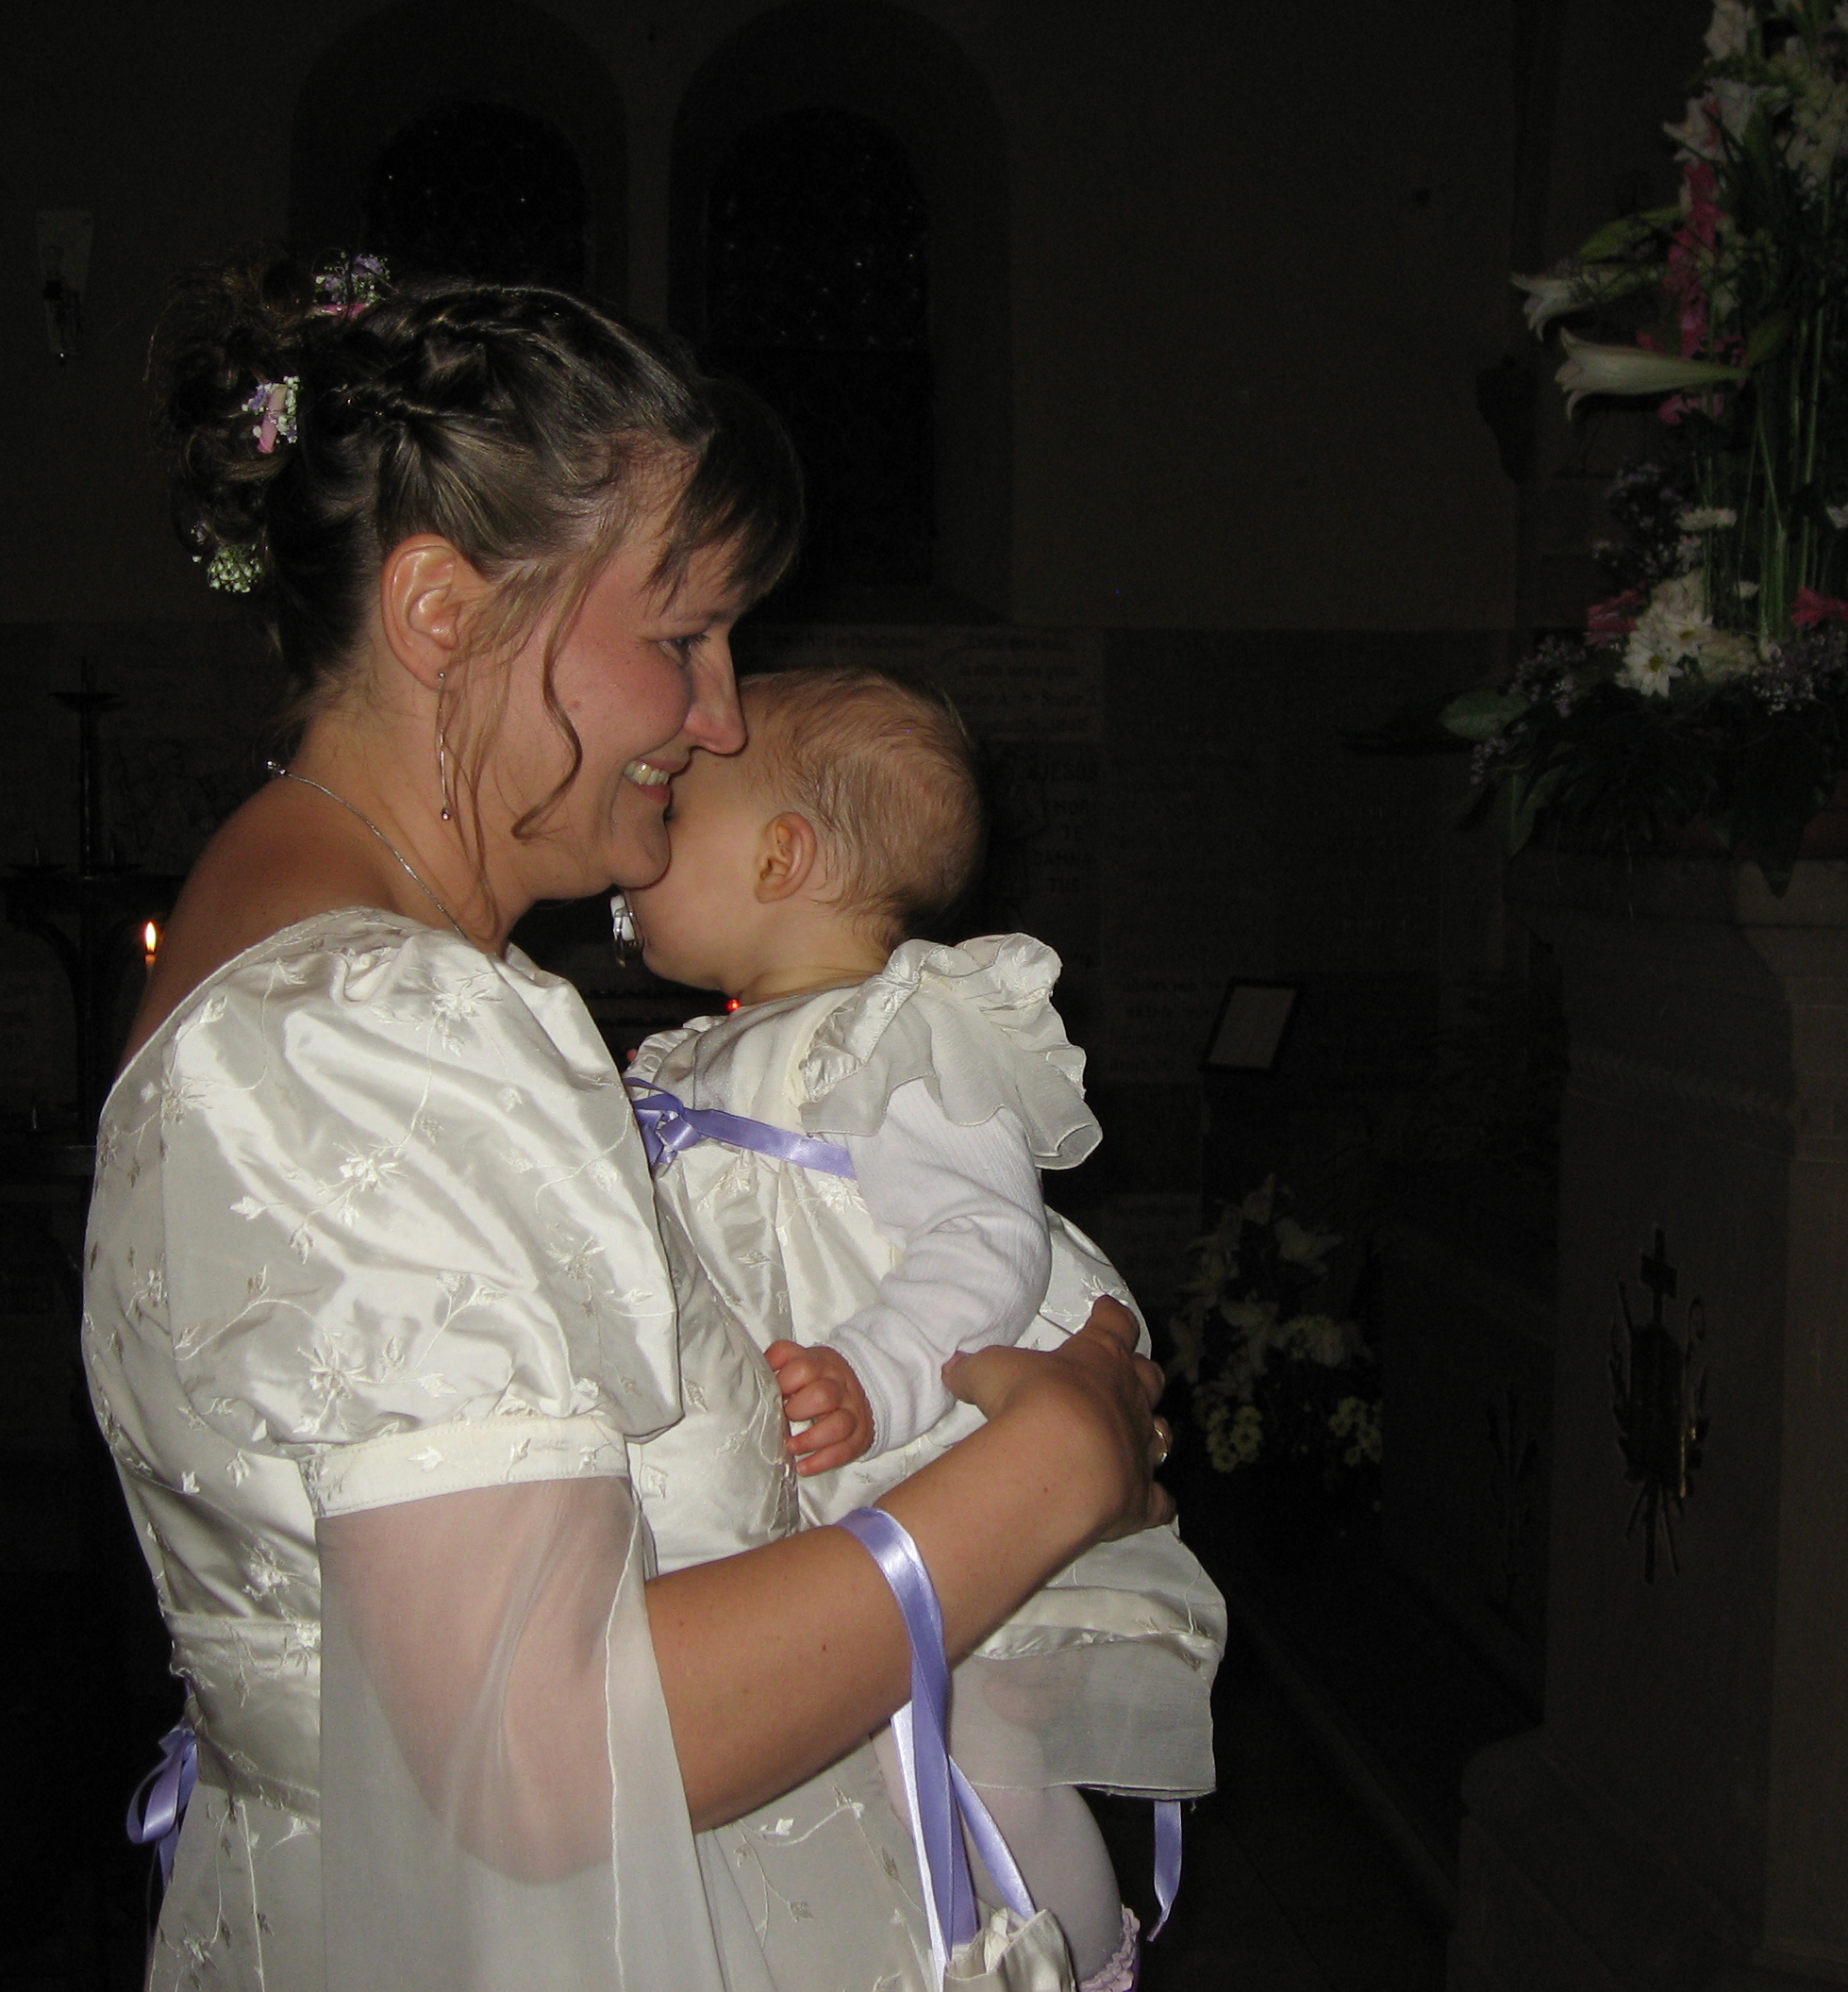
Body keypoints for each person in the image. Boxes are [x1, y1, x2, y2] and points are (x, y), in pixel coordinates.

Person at [83, 251, 1172, 1992]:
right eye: (679, 639)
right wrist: (1053, 1469)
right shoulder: (366, 1032)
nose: (720, 717)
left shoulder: (357, 980)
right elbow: (541, 1761)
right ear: (442, 615)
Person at [620, 665, 1224, 1989]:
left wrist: (875, 1374)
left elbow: (990, 1242)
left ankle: (1085, 1955)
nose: (643, 833)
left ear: (781, 857)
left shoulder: (898, 1037)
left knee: (984, 1747)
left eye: (676, 810)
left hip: (916, 1435)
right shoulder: (688, 1056)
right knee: (844, 1753)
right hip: (782, 1461)